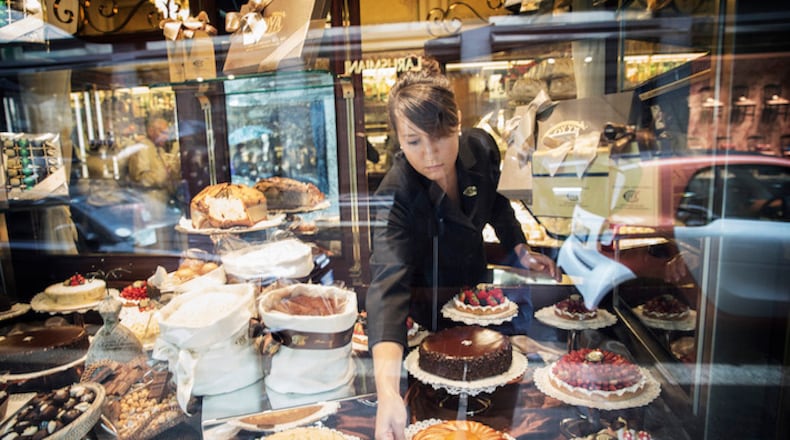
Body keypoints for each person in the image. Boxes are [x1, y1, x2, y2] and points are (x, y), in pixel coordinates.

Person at [365, 58, 560, 440]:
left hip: (482, 305)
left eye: (440, 135)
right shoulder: (396, 193)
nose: (430, 154)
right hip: (429, 323)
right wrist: (387, 392)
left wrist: (519, 249)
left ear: (457, 122)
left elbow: (497, 203)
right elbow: (387, 290)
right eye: (413, 141)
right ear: (398, 139)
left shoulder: (480, 148)